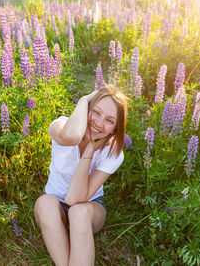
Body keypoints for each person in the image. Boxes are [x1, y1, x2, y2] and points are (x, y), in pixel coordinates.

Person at [34, 84, 128, 266]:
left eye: (109, 121)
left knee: (78, 212)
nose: (99, 124)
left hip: (89, 209)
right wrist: (84, 99)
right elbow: (72, 136)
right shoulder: (60, 125)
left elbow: (75, 198)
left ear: (115, 129)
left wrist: (90, 150)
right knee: (44, 203)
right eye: (96, 112)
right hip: (54, 209)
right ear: (87, 108)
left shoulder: (114, 152)